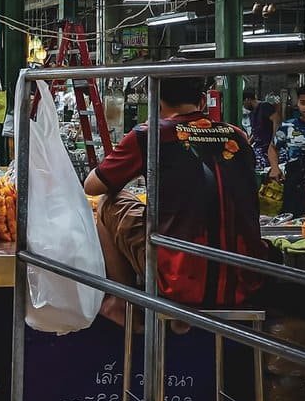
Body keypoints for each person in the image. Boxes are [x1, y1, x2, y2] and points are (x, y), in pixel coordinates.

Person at [84, 75, 263, 323]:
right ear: (202, 101)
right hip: (245, 280)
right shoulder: (237, 136)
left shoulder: (150, 134)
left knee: (107, 202)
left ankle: (122, 303)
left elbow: (93, 186)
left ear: (156, 102)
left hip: (177, 280)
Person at [268, 83, 305, 218]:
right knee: (291, 216)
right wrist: (274, 168)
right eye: (303, 103)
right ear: (297, 103)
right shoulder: (288, 126)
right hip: (294, 181)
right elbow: (272, 147)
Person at [249, 95, 280, 172]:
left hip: (267, 146)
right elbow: (256, 131)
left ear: (247, 99)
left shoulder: (264, 107)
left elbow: (276, 120)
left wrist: (274, 139)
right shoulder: (253, 113)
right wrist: (248, 143)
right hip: (259, 145)